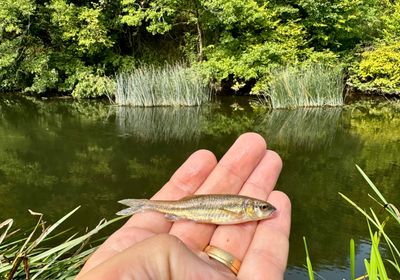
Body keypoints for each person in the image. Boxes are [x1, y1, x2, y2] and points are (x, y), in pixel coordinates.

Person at [76, 133, 291, 280]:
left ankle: (144, 205)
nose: (267, 210)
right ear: (249, 207)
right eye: (263, 208)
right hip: (188, 210)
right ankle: (143, 205)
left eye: (263, 208)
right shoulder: (242, 208)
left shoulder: (243, 211)